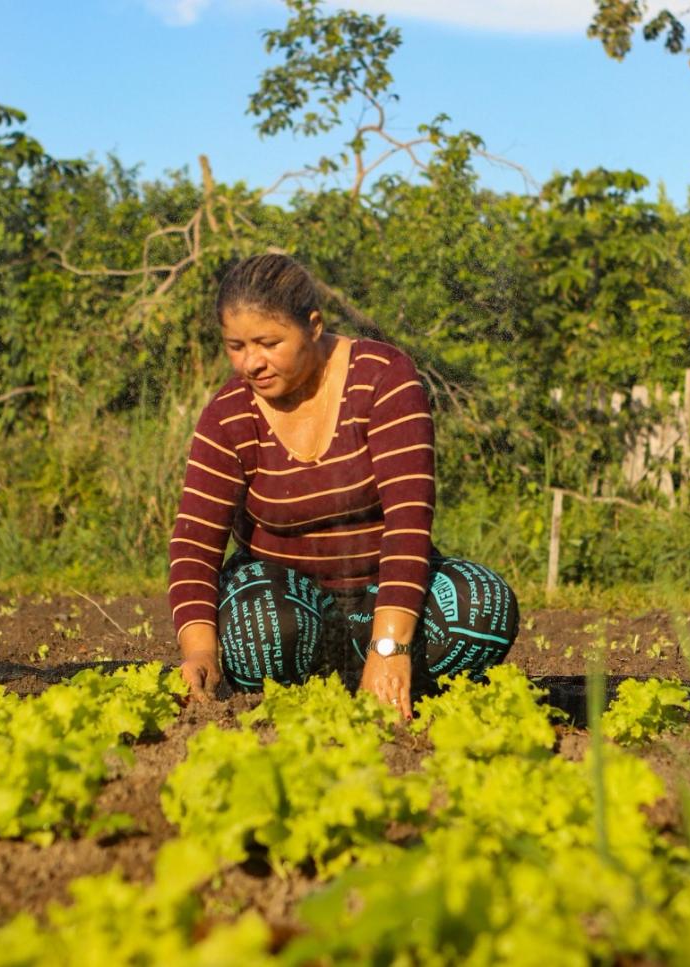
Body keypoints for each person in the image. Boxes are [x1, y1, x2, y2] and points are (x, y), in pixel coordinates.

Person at [168, 253, 518, 718]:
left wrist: (390, 644)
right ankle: (323, 678)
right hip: (287, 605)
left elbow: (408, 520)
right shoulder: (229, 414)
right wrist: (200, 653)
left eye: (268, 342)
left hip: (382, 597)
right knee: (262, 632)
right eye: (235, 346)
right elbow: (195, 542)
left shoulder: (383, 379)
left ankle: (387, 671)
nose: (251, 362)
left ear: (313, 326)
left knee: (482, 608)